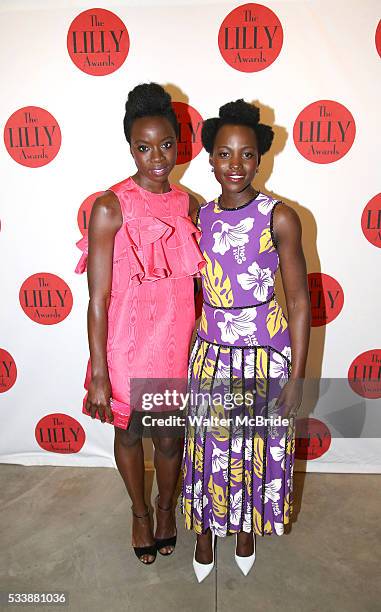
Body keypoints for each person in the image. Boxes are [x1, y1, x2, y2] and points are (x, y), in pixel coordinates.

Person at [180, 99, 311, 582]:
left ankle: (246, 528)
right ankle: (204, 532)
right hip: (212, 351)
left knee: (256, 445)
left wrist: (296, 377)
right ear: (209, 157)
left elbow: (298, 302)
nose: (235, 165)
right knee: (209, 446)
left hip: (266, 352)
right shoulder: (200, 216)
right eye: (223, 154)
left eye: (247, 154)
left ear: (261, 158)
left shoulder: (280, 217)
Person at [75, 83, 204, 565]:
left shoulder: (188, 205)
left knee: (169, 436)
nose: (157, 157)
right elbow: (98, 297)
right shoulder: (110, 206)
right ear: (130, 147)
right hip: (126, 347)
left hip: (173, 343)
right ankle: (139, 513)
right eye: (144, 147)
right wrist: (100, 371)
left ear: (179, 143)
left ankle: (166, 509)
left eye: (166, 144)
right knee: (129, 434)